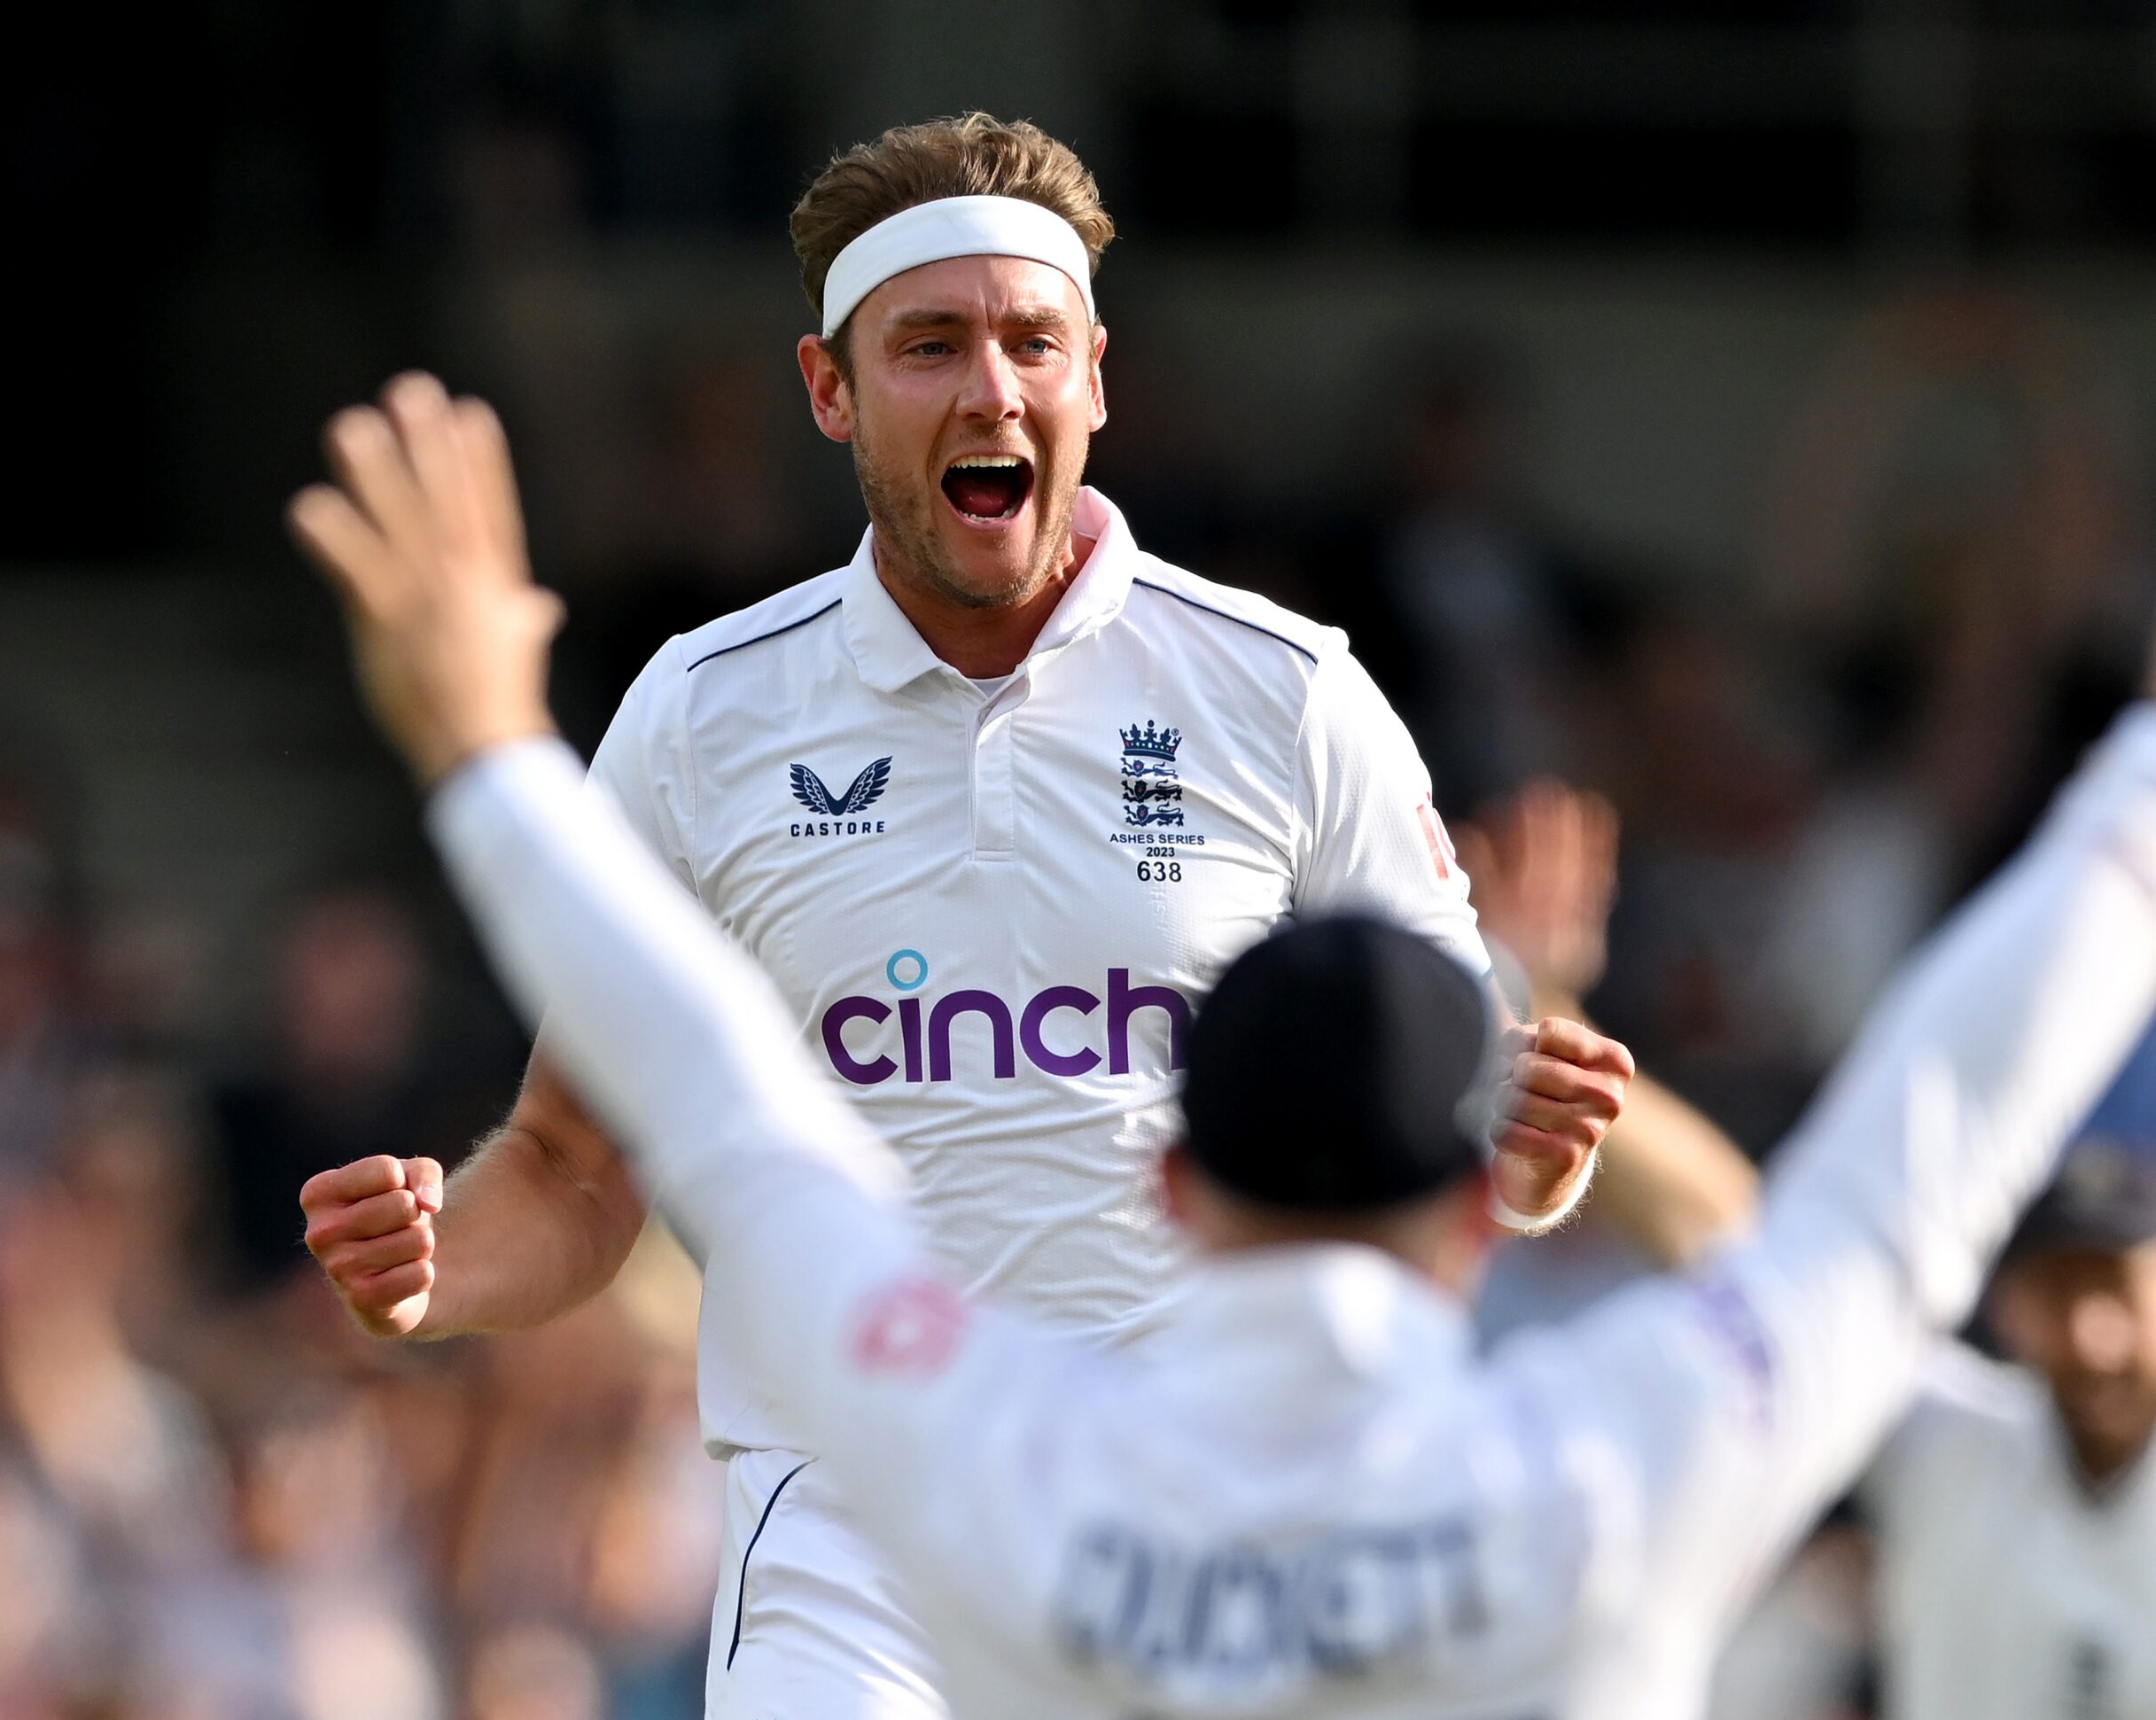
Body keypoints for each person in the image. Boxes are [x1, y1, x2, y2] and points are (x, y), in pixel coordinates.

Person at [292, 354, 2156, 1718]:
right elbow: (1926, 1138)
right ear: (1465, 1217)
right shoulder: (1621, 1456)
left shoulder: (985, 1459)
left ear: (1171, 1183)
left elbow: (732, 1124)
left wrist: (479, 739)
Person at [292, 113, 1685, 1717]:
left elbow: (1441, 1137)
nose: (990, 391)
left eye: (1030, 341)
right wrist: (434, 1264)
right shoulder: (702, 712)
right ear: (831, 390)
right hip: (853, 1525)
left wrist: (1526, 1143)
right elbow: (576, 1165)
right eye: (929, 344)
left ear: (1093, 372)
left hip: (1219, 1515)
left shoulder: (1286, 692)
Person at [1859, 1044, 2156, 1718]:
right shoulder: (1943, 1440)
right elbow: (1766, 1281)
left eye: (2115, 1286)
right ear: (2005, 1304)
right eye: (2056, 1291)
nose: (2091, 1338)